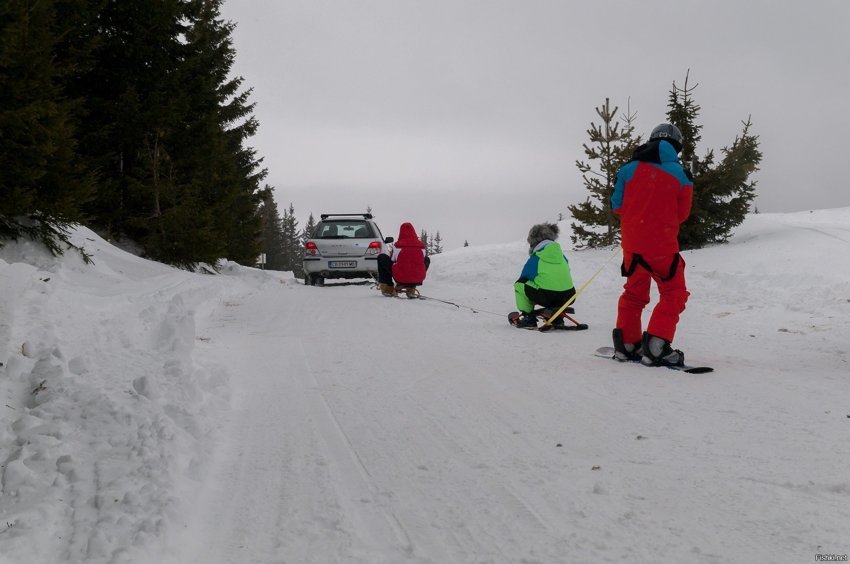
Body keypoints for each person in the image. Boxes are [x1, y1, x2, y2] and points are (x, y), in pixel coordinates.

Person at [611, 123, 693, 366]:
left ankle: (627, 344)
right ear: (676, 147)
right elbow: (682, 214)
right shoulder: (681, 175)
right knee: (674, 293)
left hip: (632, 246)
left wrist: (638, 217)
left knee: (634, 293)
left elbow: (617, 206)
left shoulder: (627, 169)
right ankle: (656, 345)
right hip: (662, 247)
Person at [513, 222, 576, 328]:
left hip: (547, 296)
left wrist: (532, 300)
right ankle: (556, 317)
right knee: (553, 285)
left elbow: (524, 277)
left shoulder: (536, 258)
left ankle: (529, 318)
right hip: (569, 296)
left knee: (519, 284)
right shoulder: (562, 257)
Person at [377, 222, 430, 298]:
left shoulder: (397, 246)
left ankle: (388, 288)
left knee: (381, 257)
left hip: (400, 277)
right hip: (418, 279)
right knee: (426, 259)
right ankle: (412, 287)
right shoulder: (421, 247)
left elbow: (392, 260)